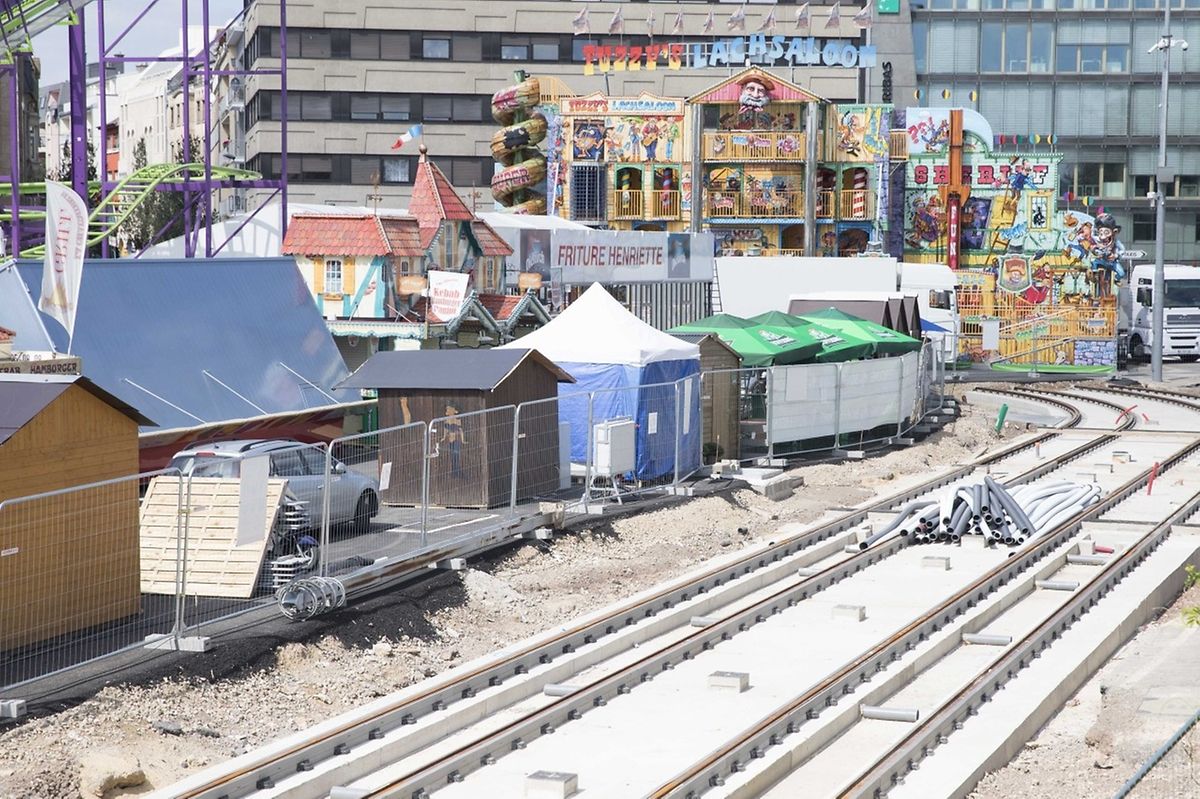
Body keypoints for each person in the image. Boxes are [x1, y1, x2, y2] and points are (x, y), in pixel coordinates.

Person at [441, 404, 465, 478]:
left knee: (456, 455)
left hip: (456, 439)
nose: (447, 411)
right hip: (450, 440)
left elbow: (460, 430)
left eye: (449, 409)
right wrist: (444, 437)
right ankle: (453, 472)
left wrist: (463, 440)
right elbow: (445, 430)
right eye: (447, 409)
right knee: (452, 456)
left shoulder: (457, 420)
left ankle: (457, 471)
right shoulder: (446, 420)